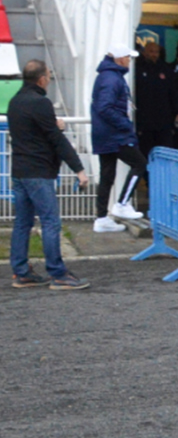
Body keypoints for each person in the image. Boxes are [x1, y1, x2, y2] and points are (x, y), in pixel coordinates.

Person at [8, 60, 90, 289]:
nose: (50, 81)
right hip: (39, 172)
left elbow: (31, 133)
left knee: (22, 224)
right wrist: (79, 169)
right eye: (49, 77)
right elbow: (56, 139)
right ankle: (58, 273)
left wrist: (54, 127)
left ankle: (21, 272)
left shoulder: (15, 102)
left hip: (20, 170)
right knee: (51, 222)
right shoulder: (41, 103)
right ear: (42, 79)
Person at [91, 43, 146, 232]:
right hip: (115, 135)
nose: (129, 61)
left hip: (104, 134)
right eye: (128, 58)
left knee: (107, 175)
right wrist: (125, 124)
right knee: (139, 164)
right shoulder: (113, 79)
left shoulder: (106, 76)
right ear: (120, 59)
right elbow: (105, 107)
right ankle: (122, 203)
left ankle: (101, 217)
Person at [134, 40, 178, 158]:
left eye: (156, 52)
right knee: (146, 151)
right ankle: (146, 176)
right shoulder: (137, 70)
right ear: (144, 52)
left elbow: (173, 93)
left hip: (164, 120)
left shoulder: (166, 70)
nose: (154, 54)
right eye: (151, 51)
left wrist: (177, 112)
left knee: (165, 151)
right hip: (145, 120)